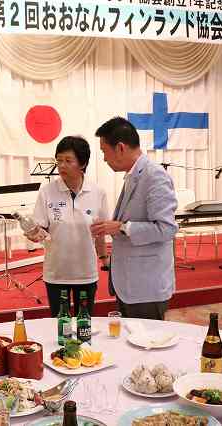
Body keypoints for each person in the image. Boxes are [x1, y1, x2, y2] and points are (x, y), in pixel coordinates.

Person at [90, 117, 178, 320]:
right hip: (130, 284)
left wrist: (122, 227)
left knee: (147, 339)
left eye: (104, 151)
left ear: (120, 148)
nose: (104, 159)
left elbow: (166, 229)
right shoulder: (135, 174)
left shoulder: (154, 176)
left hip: (146, 287)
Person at [24, 136, 109, 316]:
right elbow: (40, 228)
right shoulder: (47, 191)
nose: (61, 166)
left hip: (85, 273)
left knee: (84, 324)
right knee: (59, 324)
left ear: (83, 163)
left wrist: (104, 258)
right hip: (56, 273)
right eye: (59, 160)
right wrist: (34, 234)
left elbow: (101, 232)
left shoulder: (98, 193)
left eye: (68, 161)